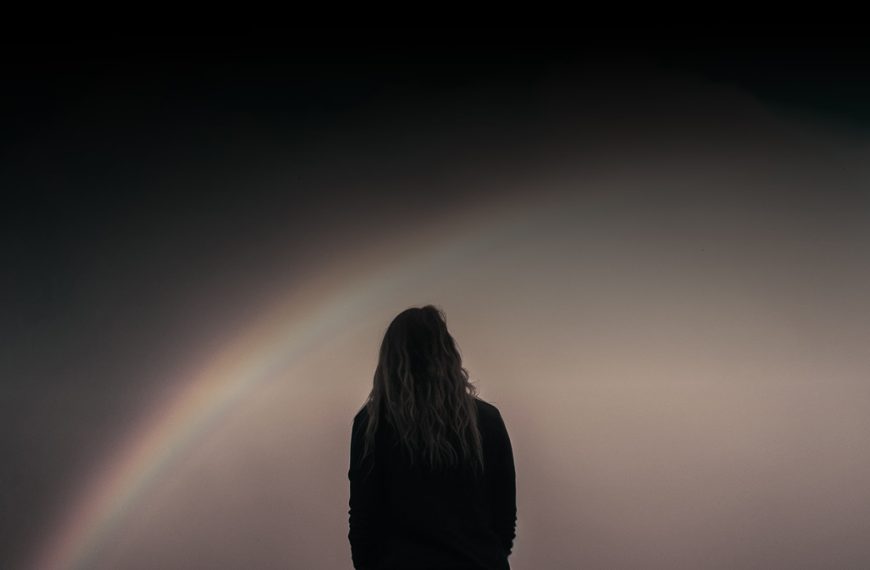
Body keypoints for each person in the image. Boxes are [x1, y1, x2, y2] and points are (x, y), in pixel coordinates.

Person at [348, 305, 517, 570]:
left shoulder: (372, 424)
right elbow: (504, 519)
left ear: (389, 361)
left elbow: (363, 523)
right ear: (448, 354)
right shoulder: (487, 420)